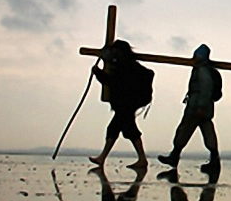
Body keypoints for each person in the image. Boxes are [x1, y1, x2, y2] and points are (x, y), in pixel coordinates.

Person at [158, 44, 222, 173]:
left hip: (197, 107)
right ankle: (214, 161)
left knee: (184, 131)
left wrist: (200, 106)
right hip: (205, 108)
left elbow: (205, 88)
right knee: (208, 133)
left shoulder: (202, 70)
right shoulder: (207, 69)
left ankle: (174, 156)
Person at [89, 39, 151, 169]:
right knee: (124, 129)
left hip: (127, 104)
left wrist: (98, 73)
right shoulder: (126, 64)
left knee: (120, 129)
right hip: (126, 103)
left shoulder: (126, 66)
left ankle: (141, 159)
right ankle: (139, 159)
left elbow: (113, 82)